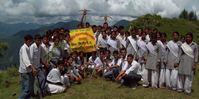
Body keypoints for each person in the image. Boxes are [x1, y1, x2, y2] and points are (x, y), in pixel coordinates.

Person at [19, 35, 37, 99]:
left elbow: (29, 59)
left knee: (25, 88)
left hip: (27, 70)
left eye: (31, 41)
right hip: (25, 71)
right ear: (25, 41)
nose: (30, 42)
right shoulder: (24, 48)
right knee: (27, 90)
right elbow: (26, 60)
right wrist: (33, 68)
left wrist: (32, 68)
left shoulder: (27, 48)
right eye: (29, 41)